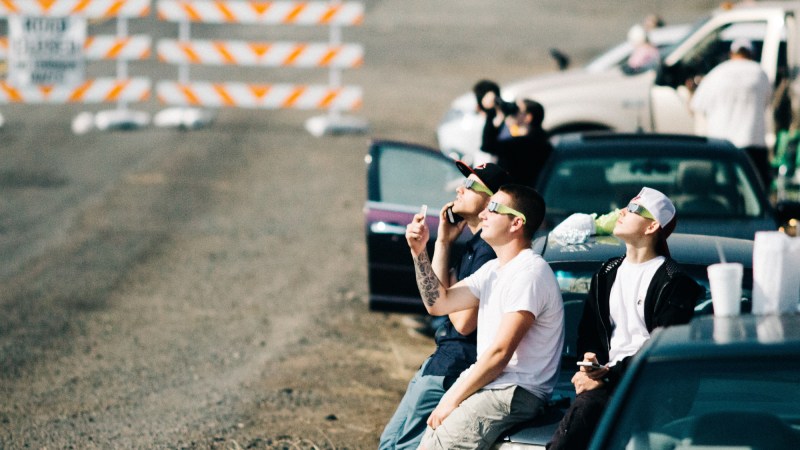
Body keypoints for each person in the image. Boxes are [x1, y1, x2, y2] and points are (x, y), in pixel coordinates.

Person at [406, 184, 565, 450]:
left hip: (515, 390)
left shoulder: (530, 272)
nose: (483, 214)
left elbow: (500, 353)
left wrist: (451, 399)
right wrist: (419, 251)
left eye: (493, 208)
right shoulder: (493, 270)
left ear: (516, 223)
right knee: (430, 442)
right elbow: (438, 303)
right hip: (494, 385)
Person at [547, 187, 703, 450]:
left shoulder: (674, 282)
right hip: (605, 382)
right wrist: (589, 363)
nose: (622, 212)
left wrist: (605, 375)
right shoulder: (606, 272)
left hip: (651, 388)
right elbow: (589, 333)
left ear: (652, 226)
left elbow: (661, 348)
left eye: (633, 209)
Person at [379, 162, 513, 450]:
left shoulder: (489, 252)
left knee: (401, 446)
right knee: (390, 442)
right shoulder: (475, 246)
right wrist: (442, 241)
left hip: (454, 365)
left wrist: (422, 257)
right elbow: (439, 299)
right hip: (440, 359)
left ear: (492, 202)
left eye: (472, 185)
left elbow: (462, 320)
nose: (459, 188)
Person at [690, 38, 773, 188]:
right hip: (753, 141)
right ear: (751, 53)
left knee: (726, 188)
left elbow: (697, 105)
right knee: (756, 187)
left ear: (732, 53)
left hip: (723, 142)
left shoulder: (717, 73)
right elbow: (767, 102)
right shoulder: (760, 73)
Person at [479, 90, 553, 187]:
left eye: (517, 110)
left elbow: (487, 145)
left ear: (528, 117)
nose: (513, 113)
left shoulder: (525, 144)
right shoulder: (542, 140)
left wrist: (490, 113)